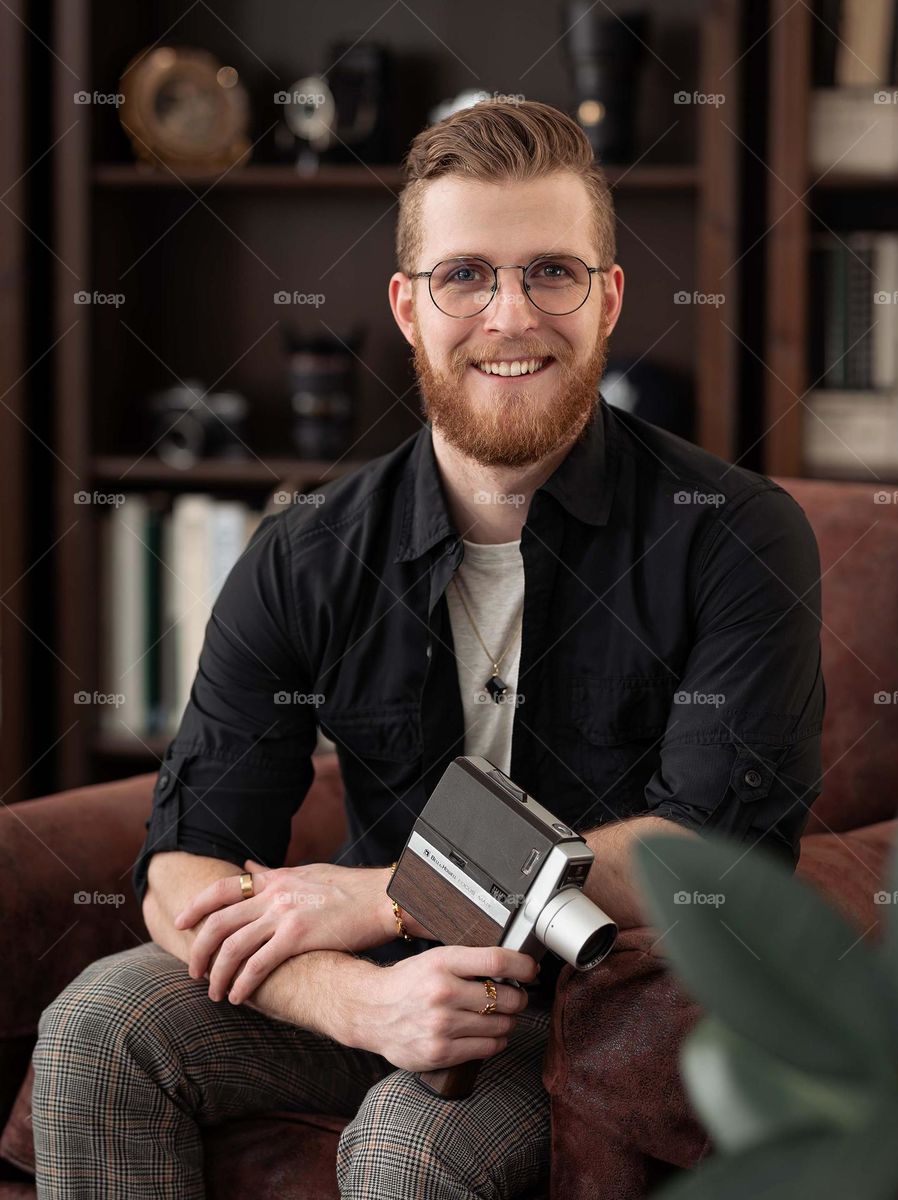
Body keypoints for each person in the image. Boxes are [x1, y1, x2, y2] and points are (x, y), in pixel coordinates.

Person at [31, 99, 824, 1199]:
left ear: (608, 300)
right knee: (94, 1029)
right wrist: (356, 999)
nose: (511, 315)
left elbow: (721, 850)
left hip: (597, 1007)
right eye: (466, 276)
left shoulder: (735, 532)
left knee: (410, 1149)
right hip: (386, 988)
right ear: (407, 307)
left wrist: (385, 898)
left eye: (552, 271)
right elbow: (185, 867)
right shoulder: (304, 552)